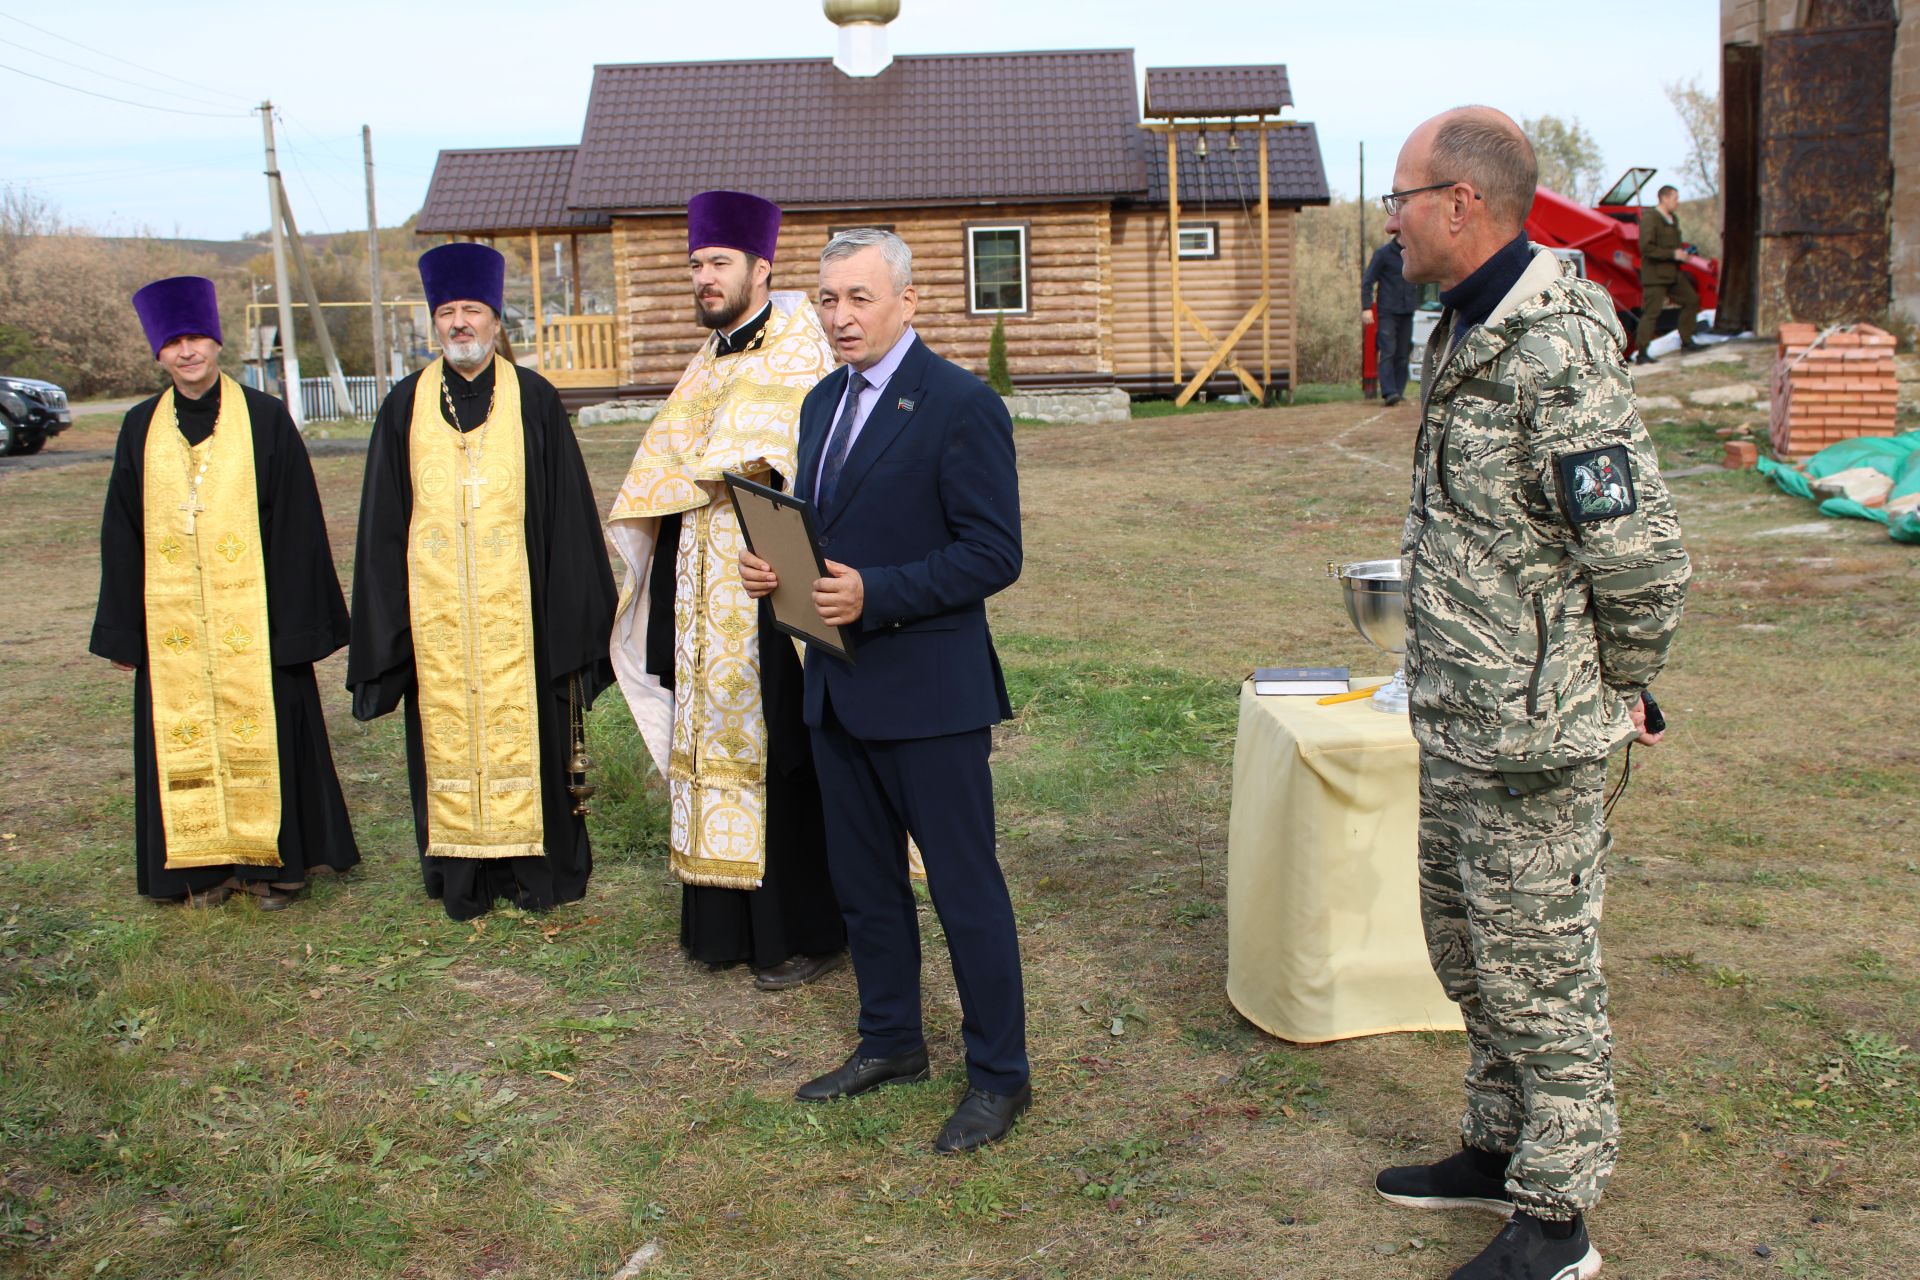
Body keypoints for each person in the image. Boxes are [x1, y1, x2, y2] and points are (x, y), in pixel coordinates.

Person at [1376, 107, 1690, 1280]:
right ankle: (1499, 1145)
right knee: (1465, 946)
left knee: (1542, 969)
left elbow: (1639, 550)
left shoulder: (1555, 343)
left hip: (1536, 730)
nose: (1391, 217)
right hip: (1462, 714)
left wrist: (1624, 679)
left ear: (1463, 201)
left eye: (1401, 194)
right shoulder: (1461, 327)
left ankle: (1556, 1217)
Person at [739, 229, 1029, 1154]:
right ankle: (892, 1042)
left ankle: (999, 1077)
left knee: (963, 890)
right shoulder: (821, 403)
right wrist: (776, 568)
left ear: (909, 301)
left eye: (859, 298)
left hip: (930, 694)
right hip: (837, 686)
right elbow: (828, 534)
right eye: (827, 299)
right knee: (865, 888)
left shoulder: (961, 404)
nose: (840, 317)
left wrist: (877, 594)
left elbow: (994, 552)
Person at [607, 190, 846, 990]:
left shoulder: (800, 348)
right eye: (697, 266)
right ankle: (722, 928)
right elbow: (666, 471)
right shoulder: (707, 363)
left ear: (760, 266)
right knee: (708, 747)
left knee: (785, 753)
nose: (705, 279)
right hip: (702, 595)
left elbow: (808, 472)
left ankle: (805, 931)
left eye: (718, 264)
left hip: (768, 593)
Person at [346, 243, 616, 921]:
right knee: (447, 743)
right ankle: (461, 876)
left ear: (497, 321)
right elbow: (383, 526)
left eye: (472, 310)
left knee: (536, 741)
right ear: (433, 321)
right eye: (447, 312)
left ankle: (537, 875)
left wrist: (573, 632)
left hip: (521, 626)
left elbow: (570, 523)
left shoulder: (536, 401)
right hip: (440, 631)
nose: (459, 323)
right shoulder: (404, 406)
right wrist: (389, 631)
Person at [90, 275, 359, 909]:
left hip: (257, 624)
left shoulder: (264, 419)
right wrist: (126, 632)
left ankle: (277, 867)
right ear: (159, 353)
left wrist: (295, 630)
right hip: (175, 628)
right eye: (173, 343)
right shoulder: (139, 429)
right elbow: (121, 532)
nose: (187, 353)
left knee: (270, 731)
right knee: (183, 736)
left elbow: (297, 526)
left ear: (217, 344)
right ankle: (200, 869)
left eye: (196, 339)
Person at [1632, 184, 1703, 365]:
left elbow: (1673, 245)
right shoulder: (1651, 219)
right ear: (1664, 198)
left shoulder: (1673, 219)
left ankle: (1687, 341)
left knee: (1691, 300)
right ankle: (1642, 353)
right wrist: (1672, 254)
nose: (1677, 203)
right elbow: (1646, 248)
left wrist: (1682, 255)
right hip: (1655, 276)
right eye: (1674, 198)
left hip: (1672, 273)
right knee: (1651, 313)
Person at [1363, 236, 1419, 405]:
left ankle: (1398, 391)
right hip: (1387, 311)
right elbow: (1367, 281)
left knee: (1403, 354)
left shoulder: (1413, 253)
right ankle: (1389, 392)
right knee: (1388, 351)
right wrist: (1366, 307)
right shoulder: (1383, 254)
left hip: (1407, 311)